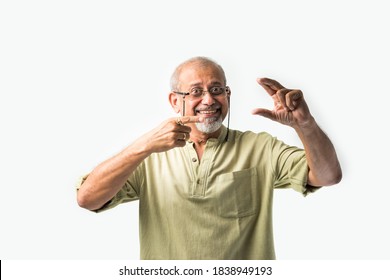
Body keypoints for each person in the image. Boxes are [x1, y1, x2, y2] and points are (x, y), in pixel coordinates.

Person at [76, 56, 342, 260]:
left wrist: (305, 124)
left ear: (228, 96)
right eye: (195, 91)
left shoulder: (260, 147)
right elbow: (87, 198)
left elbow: (328, 176)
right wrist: (142, 146)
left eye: (217, 89)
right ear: (173, 100)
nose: (208, 100)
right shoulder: (149, 155)